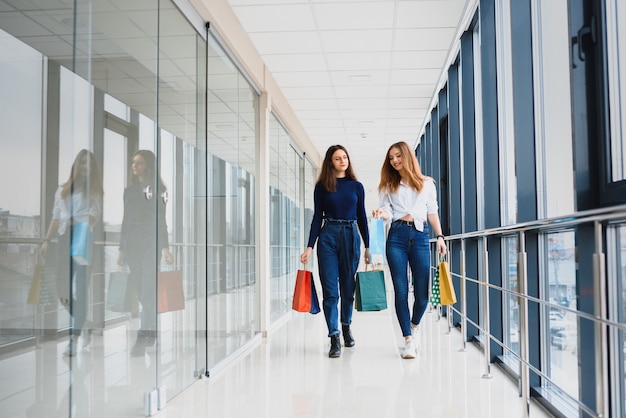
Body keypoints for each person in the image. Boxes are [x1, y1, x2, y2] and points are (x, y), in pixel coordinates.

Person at [372, 141, 446, 359]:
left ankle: (414, 325)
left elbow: (432, 212)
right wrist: (381, 214)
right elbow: (387, 210)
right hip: (396, 237)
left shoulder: (427, 184)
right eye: (391, 158)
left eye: (398, 156)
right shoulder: (388, 185)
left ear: (407, 156)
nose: (395, 161)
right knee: (401, 289)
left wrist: (440, 236)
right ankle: (407, 339)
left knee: (422, 294)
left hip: (421, 236)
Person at [300, 145, 370, 358]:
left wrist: (368, 246)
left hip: (350, 234)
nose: (343, 161)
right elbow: (316, 218)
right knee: (331, 290)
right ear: (331, 162)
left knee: (348, 288)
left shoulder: (356, 186)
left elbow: (362, 217)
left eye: (345, 157)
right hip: (328, 236)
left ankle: (346, 325)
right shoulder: (322, 186)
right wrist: (309, 247)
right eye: (338, 158)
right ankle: (334, 336)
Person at [41, 149, 103, 357]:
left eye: (89, 165)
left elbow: (94, 217)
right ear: (76, 165)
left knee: (82, 289)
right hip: (64, 238)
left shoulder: (93, 191)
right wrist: (46, 240)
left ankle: (73, 338)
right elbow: (56, 217)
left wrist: (78, 220)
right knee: (62, 288)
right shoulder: (62, 190)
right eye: (83, 163)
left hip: (83, 238)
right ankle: (83, 320)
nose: (85, 168)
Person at [117, 150, 174, 356]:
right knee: (141, 290)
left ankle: (143, 335)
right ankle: (152, 329)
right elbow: (125, 220)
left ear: (148, 166)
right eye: (133, 162)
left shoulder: (159, 190)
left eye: (139, 163)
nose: (134, 166)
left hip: (150, 242)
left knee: (148, 289)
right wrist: (122, 249)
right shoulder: (129, 191)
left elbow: (161, 219)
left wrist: (165, 247)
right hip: (133, 244)